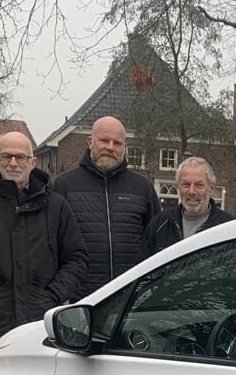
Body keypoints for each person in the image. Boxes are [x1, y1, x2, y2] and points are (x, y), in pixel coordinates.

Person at [0, 129, 88, 343]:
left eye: (20, 157)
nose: (13, 163)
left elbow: (77, 258)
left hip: (41, 325)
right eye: (7, 156)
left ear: (33, 162)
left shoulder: (56, 206)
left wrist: (53, 294)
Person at [50, 115, 159, 294]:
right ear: (90, 141)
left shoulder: (142, 188)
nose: (110, 147)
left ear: (125, 147)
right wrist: (61, 292)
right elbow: (50, 245)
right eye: (104, 141)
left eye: (117, 143)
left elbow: (156, 242)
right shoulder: (63, 186)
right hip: (80, 299)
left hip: (130, 295)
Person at [150, 156, 234, 252]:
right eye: (186, 185)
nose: (191, 191)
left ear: (211, 188)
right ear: (178, 188)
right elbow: (144, 264)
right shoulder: (160, 224)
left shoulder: (228, 227)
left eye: (199, 185)